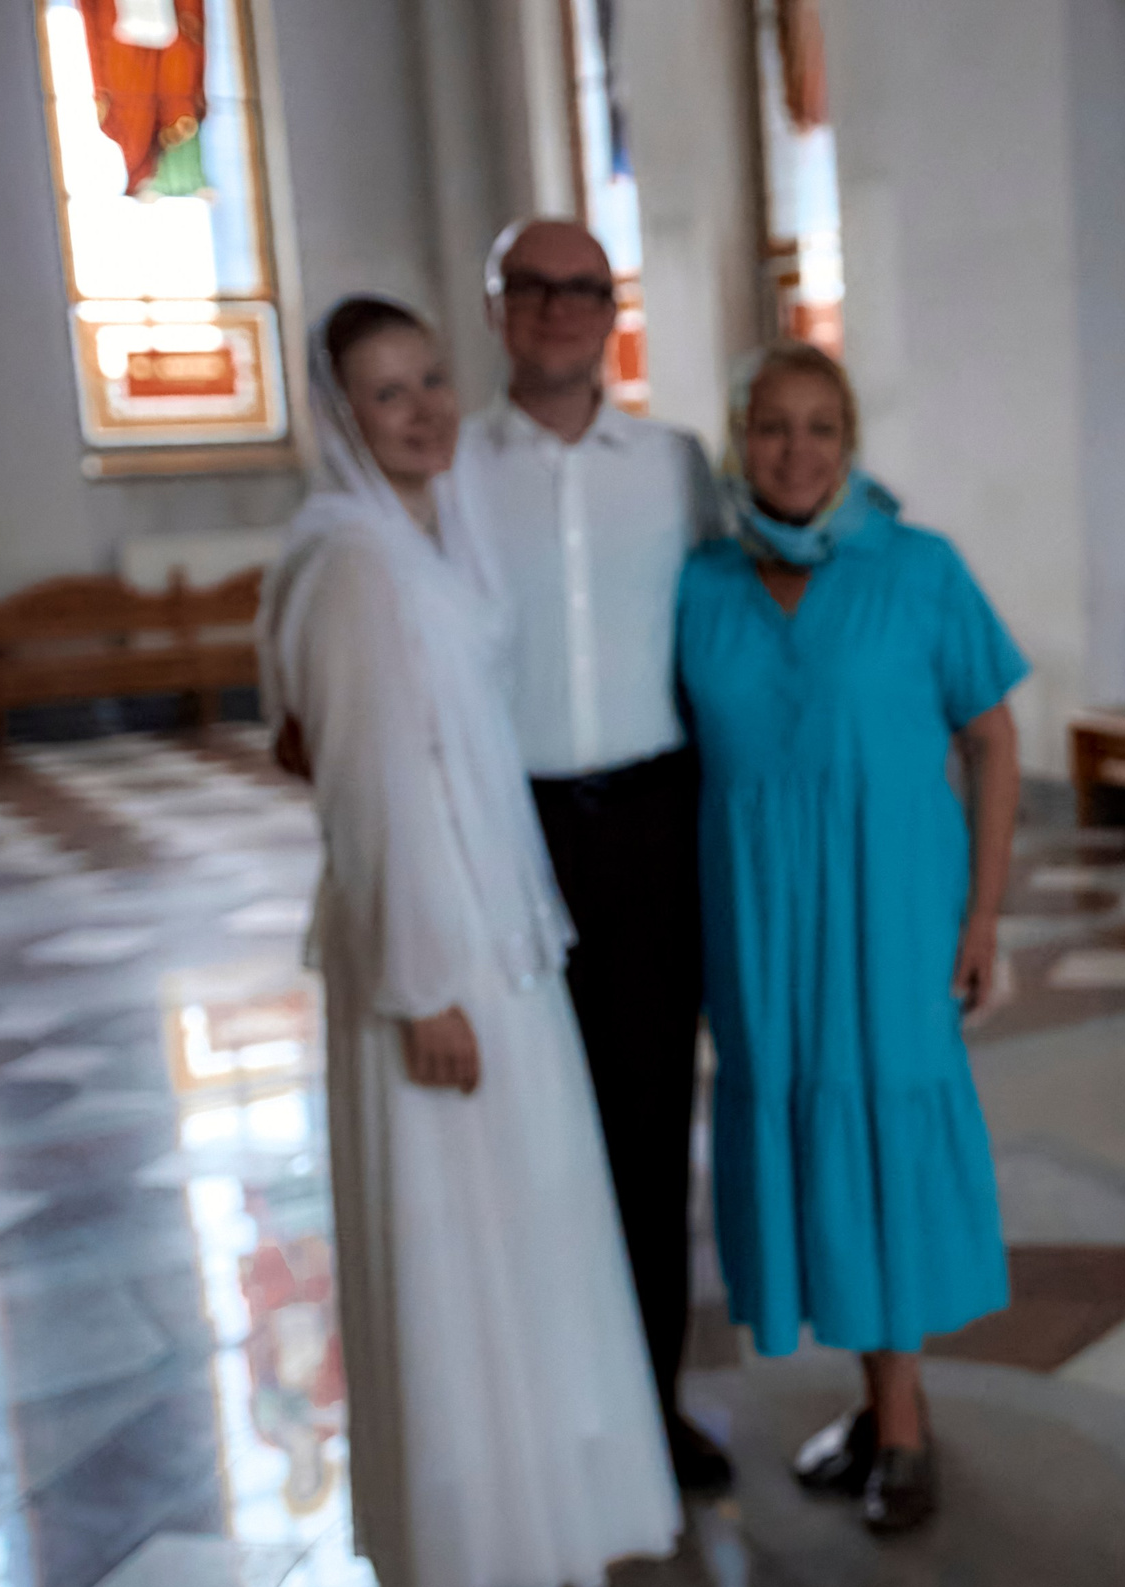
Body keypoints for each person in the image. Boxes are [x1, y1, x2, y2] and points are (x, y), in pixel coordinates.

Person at [258, 297, 679, 1587]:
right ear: (342, 417)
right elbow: (371, 798)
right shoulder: (356, 564)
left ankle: (547, 1496)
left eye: (433, 380)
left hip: (504, 930)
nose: (426, 409)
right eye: (388, 394)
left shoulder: (435, 534)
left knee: (529, 1221)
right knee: (460, 1240)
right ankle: (479, 1521)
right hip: (436, 954)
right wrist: (423, 984)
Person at [675, 341, 1025, 1536]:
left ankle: (906, 1422)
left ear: (852, 438)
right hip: (759, 932)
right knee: (807, 1150)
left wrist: (981, 915)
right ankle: (874, 1411)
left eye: (821, 426)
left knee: (882, 1145)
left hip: (890, 920)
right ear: (738, 440)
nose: (796, 450)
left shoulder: (920, 570)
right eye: (771, 426)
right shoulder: (699, 585)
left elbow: (993, 738)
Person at [456, 219, 731, 1494]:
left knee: (639, 1125)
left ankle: (653, 1409)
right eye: (534, 287)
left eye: (583, 289)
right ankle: (540, 1416)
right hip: (509, 826)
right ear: (498, 306)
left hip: (654, 823)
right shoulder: (448, 466)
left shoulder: (675, 468)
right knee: (517, 1129)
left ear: (612, 311)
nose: (559, 308)